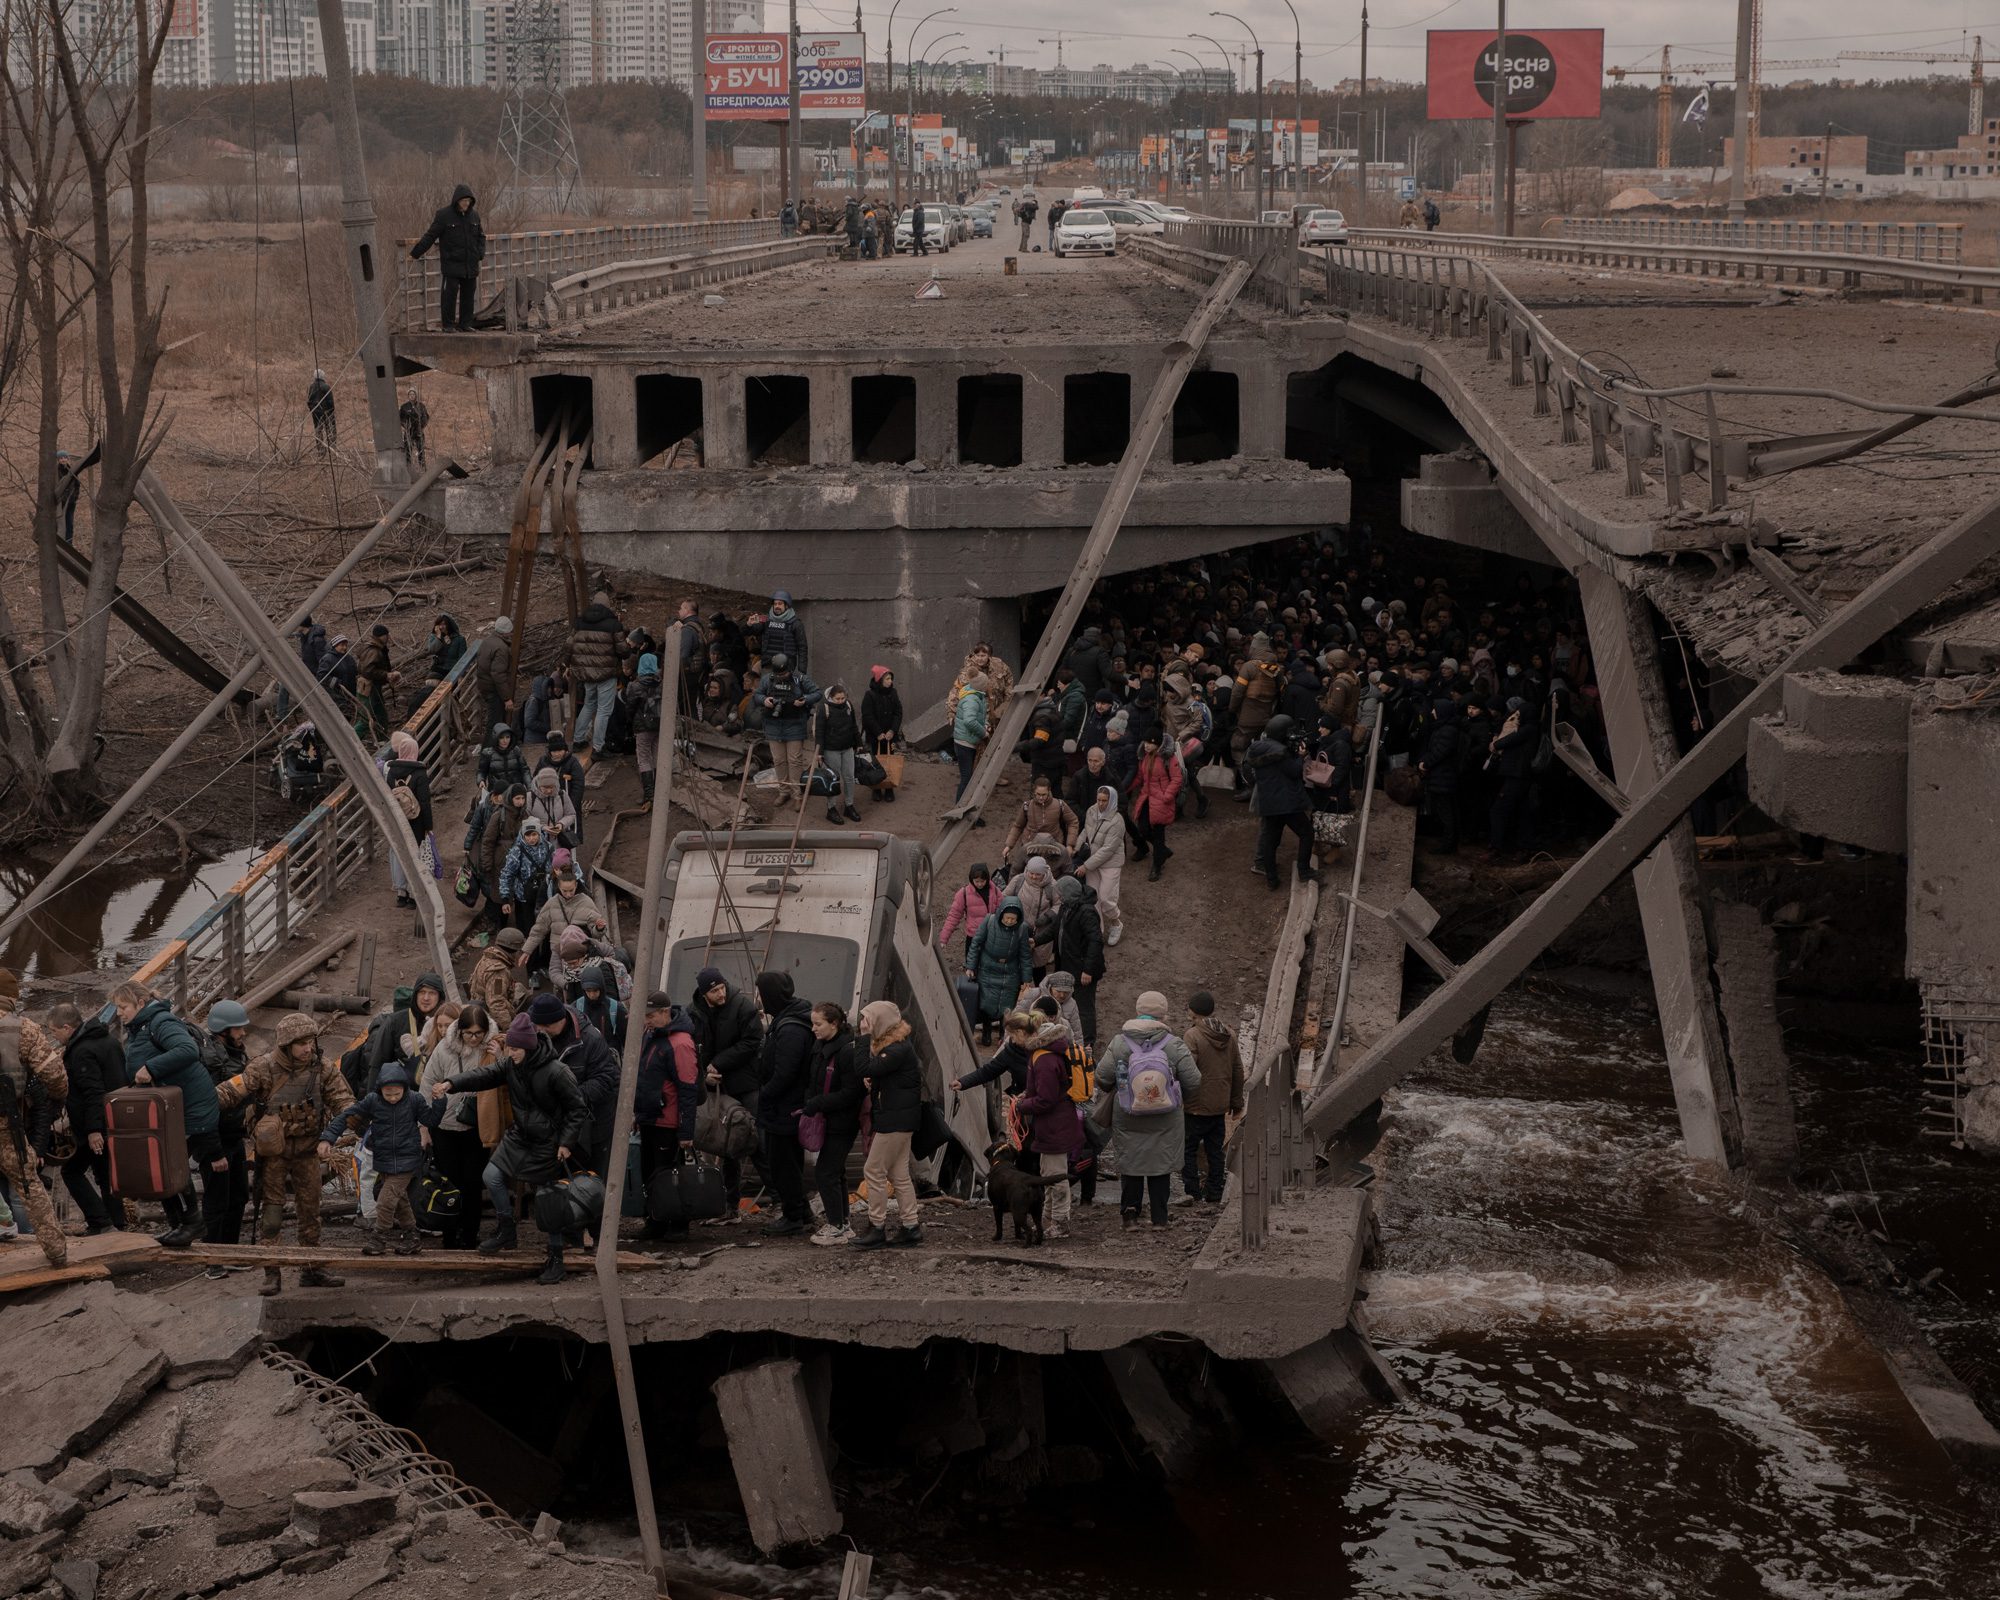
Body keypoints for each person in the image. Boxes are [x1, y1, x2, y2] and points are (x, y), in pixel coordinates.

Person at [430, 1012, 590, 1280]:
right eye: (509, 1048)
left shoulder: (556, 1071)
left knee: (547, 1200)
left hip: (548, 1141)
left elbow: (577, 1109)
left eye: (514, 1049)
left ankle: (556, 1257)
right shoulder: (511, 1066)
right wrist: (451, 1083)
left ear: (528, 1047)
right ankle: (507, 1228)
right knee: (491, 1176)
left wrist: (566, 1142)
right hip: (520, 1136)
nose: (510, 1052)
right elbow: (484, 1074)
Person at [211, 1009, 351, 1292]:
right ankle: (271, 1272)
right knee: (272, 1213)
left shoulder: (322, 1068)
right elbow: (228, 1092)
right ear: (286, 1044)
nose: (307, 1048)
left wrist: (352, 1127)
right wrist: (196, 1105)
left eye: (310, 1042)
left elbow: (344, 1101)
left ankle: (311, 1270)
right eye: (301, 1043)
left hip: (309, 1151)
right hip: (274, 1154)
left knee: (311, 1211)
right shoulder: (262, 1067)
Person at [116, 980, 230, 1252]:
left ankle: (192, 1222)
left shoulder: (161, 1022)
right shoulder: (139, 1027)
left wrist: (151, 1068)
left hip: (190, 1106)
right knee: (163, 1163)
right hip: (172, 1107)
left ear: (140, 1004)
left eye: (122, 1007)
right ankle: (180, 1223)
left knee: (170, 1163)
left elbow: (187, 1050)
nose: (118, 1013)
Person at [1094, 990, 1202, 1228]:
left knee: (1132, 1162)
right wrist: (1174, 1092)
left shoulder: (1120, 1042)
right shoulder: (1174, 1044)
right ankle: (1160, 1218)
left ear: (1138, 1010)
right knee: (1160, 1165)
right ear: (1163, 1014)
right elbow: (1194, 1081)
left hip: (1127, 1112)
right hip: (1166, 1116)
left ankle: (1130, 1215)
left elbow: (1101, 1077)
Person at [321, 1062, 444, 1256]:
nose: (393, 1098)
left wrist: (439, 1102)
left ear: (404, 1087)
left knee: (386, 1201)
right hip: (384, 1159)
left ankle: (379, 1238)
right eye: (388, 1094)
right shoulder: (373, 1101)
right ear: (381, 1091)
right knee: (400, 1200)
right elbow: (347, 1116)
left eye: (397, 1093)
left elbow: (431, 1120)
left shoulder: (415, 1100)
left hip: (408, 1159)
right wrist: (328, 1138)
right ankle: (412, 1237)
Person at [0, 971, 68, 1267]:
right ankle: (56, 1253)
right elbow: (54, 1075)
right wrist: (56, 1096)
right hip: (7, 1126)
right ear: (11, 998)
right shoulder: (22, 1029)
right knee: (31, 1189)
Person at [419, 1005, 497, 1250]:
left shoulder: (492, 1047)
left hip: (476, 1125)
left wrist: (500, 1054)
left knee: (473, 1182)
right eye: (469, 1033)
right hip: (445, 1125)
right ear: (460, 1031)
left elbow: (506, 1077)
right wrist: (424, 1126)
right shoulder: (444, 1049)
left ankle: (469, 1234)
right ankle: (449, 1233)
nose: (474, 1039)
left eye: (478, 1033)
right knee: (449, 1182)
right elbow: (427, 1083)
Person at [46, 1000, 126, 1236]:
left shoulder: (81, 1052)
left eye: (54, 1031)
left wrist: (93, 1131)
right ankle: (116, 1223)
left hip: (94, 1127)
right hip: (114, 1118)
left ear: (68, 1028)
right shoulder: (107, 1040)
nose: (54, 1036)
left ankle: (99, 1220)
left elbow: (93, 1093)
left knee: (71, 1172)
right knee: (105, 1175)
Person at [690, 967, 765, 1212]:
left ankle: (781, 1198)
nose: (720, 993)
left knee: (753, 1139)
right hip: (714, 1086)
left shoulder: (742, 1007)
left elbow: (752, 1042)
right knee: (723, 1143)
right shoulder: (695, 1013)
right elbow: (695, 1048)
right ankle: (726, 1203)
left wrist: (718, 1063)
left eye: (721, 987)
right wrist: (705, 1074)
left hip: (744, 1083)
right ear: (704, 994)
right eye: (714, 991)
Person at [849, 1000, 922, 1249]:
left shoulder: (895, 1049)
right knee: (899, 1175)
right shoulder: (896, 1046)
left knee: (873, 1171)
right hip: (901, 1118)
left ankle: (876, 1226)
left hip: (894, 1120)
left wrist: (863, 1038)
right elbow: (888, 1076)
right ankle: (911, 1226)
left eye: (867, 1019)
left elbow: (863, 1067)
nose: (862, 1024)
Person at [752, 971, 816, 1237]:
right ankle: (801, 1212)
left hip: (784, 1108)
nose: (757, 998)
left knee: (783, 1163)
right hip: (784, 1106)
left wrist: (765, 1093)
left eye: (760, 992)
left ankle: (793, 1216)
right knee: (786, 1162)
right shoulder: (790, 1019)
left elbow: (786, 1072)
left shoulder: (790, 1028)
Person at [635, 992, 702, 1242]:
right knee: (652, 1173)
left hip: (668, 1120)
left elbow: (688, 1089)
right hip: (650, 1117)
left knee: (670, 1175)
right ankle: (656, 1220)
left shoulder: (681, 1043)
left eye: (651, 1016)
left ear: (665, 1012)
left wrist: (686, 1132)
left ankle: (678, 1223)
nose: (647, 1021)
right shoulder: (651, 1035)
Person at [530, 991, 618, 1175]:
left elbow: (606, 1078)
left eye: (547, 1026)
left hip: (593, 1125)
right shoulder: (536, 1034)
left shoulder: (590, 1040)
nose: (542, 1030)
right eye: (538, 1026)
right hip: (556, 1126)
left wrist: (570, 1096)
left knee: (590, 1180)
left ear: (561, 1019)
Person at [1012, 1011, 1083, 1239]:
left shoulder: (1043, 1059)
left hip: (1054, 1125)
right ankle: (1049, 1218)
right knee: (1049, 1172)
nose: (1012, 1041)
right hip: (1057, 1123)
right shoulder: (1046, 1053)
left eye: (1013, 1036)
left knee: (1056, 1175)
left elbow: (1046, 1100)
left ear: (1022, 1033)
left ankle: (1060, 1223)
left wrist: (1021, 1106)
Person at [804, 1002, 867, 1246]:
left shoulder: (846, 1052)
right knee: (836, 1171)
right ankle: (842, 1222)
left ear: (834, 1024)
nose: (813, 1029)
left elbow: (852, 1093)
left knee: (826, 1172)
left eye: (818, 1024)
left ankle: (836, 1225)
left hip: (842, 1122)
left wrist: (819, 1102)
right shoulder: (823, 1046)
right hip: (828, 1118)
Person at [196, 1000, 253, 1255]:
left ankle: (230, 1251)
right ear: (224, 1030)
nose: (243, 1033)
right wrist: (214, 1152)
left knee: (238, 1196)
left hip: (233, 1138)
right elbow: (204, 1109)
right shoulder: (211, 1062)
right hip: (217, 1143)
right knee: (218, 1201)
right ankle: (213, 1256)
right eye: (238, 1028)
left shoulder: (234, 1053)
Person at [1181, 991, 1242, 1204]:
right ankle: (1214, 1193)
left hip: (1195, 1105)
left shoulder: (1193, 1035)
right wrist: (1236, 1102)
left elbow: (1187, 1070)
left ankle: (1192, 1192)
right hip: (1219, 1105)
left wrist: (1179, 1097)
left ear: (1193, 1011)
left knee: (1187, 1149)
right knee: (1215, 1151)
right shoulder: (1229, 1034)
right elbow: (1237, 1069)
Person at [1246, 713, 1317, 891]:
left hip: (1269, 803)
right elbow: (1294, 771)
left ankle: (1272, 879)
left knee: (1271, 842)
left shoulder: (1256, 749)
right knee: (1307, 833)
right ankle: (1304, 870)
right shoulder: (1282, 752)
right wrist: (1301, 756)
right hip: (1288, 803)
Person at [410, 183, 486, 332]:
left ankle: (465, 323)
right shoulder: (444, 215)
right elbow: (431, 235)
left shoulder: (474, 216)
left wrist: (480, 253)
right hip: (451, 263)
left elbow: (481, 237)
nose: (466, 203)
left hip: (470, 264)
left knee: (468, 296)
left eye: (468, 201)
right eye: (464, 200)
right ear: (457, 200)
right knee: (449, 296)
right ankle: (448, 325)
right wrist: (416, 253)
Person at [965, 895, 1032, 1046]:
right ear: (1001, 914)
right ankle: (986, 1031)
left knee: (1007, 1003)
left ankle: (1004, 1033)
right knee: (986, 1001)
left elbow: (1025, 955)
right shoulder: (989, 921)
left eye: (1013, 919)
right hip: (989, 968)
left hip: (1010, 971)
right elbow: (976, 943)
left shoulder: (1021, 929)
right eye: (1007, 918)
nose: (1009, 921)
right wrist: (970, 966)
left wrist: (1026, 978)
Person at [758, 653, 824, 804]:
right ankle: (783, 792)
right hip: (774, 725)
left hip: (794, 724)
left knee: (794, 760)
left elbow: (817, 693)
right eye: (778, 674)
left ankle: (797, 795)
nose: (781, 676)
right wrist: (764, 700)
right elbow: (757, 695)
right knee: (779, 760)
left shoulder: (800, 679)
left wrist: (805, 700)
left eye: (784, 673)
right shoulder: (768, 679)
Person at [1049, 876, 1105, 1046]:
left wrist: (1087, 970)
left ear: (1067, 894)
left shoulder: (1086, 911)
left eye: (1060, 893)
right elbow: (1055, 929)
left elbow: (1096, 941)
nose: (1058, 896)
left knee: (1084, 1009)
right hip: (1068, 966)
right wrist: (1036, 941)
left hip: (1082, 971)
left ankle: (1087, 1046)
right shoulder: (1068, 906)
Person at [384, 729, 435, 909]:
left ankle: (401, 892)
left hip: (398, 819)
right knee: (416, 855)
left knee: (399, 853)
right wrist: (428, 826)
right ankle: (414, 895)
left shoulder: (390, 772)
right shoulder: (420, 774)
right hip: (416, 821)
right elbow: (424, 802)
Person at [569, 590, 624, 756]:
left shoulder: (579, 622)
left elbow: (569, 645)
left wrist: (565, 664)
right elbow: (623, 650)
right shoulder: (614, 624)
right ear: (608, 606)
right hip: (606, 674)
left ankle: (578, 740)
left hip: (587, 674)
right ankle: (598, 747)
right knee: (604, 710)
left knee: (589, 704)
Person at [1076, 784, 1126, 948]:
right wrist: (1076, 848)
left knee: (1106, 898)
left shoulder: (1117, 822)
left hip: (1109, 864)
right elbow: (1087, 831)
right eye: (1099, 800)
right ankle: (1096, 931)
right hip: (1092, 862)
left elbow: (1107, 850)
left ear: (1112, 801)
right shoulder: (1092, 811)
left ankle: (1116, 922)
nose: (1101, 804)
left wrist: (1086, 866)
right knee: (1093, 898)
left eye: (1105, 800)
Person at [1131, 732, 1182, 881]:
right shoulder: (1145, 758)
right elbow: (1141, 778)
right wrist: (1126, 788)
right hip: (1147, 798)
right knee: (1143, 828)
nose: (1146, 745)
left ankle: (1157, 865)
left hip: (1161, 800)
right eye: (1145, 742)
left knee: (1159, 833)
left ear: (1158, 744)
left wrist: (1167, 796)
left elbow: (1177, 778)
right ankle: (1163, 851)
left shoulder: (1168, 758)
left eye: (1150, 742)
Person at [1000, 774, 1078, 868]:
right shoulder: (1027, 806)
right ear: (1034, 792)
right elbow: (1018, 826)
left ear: (1049, 791)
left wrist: (1070, 845)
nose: (1041, 797)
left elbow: (1073, 821)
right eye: (1038, 794)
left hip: (1053, 849)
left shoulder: (1059, 805)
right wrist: (1008, 846)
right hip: (1031, 848)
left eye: (1044, 794)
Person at [1419, 698, 1466, 854]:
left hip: (1443, 777)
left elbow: (1440, 752)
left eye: (1435, 710)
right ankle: (1449, 841)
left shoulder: (1447, 731)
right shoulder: (1444, 728)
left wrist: (1425, 764)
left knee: (1446, 811)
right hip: (1443, 776)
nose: (1432, 712)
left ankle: (1448, 844)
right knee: (1448, 810)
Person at [816, 683, 863, 825]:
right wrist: (819, 752)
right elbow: (820, 731)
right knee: (833, 779)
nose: (841, 701)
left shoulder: (848, 706)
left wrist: (859, 743)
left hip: (847, 748)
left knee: (849, 777)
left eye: (843, 698)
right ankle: (831, 809)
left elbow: (854, 726)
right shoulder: (823, 708)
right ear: (831, 697)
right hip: (831, 750)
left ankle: (849, 805)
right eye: (838, 699)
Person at [939, 862, 1002, 967]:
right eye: (977, 881)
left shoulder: (994, 890)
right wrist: (943, 939)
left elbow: (1002, 910)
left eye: (983, 881)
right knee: (973, 967)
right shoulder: (963, 894)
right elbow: (953, 917)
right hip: (974, 938)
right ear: (971, 879)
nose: (980, 884)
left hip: (991, 936)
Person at [498, 818, 554, 933]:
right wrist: (505, 899)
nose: (531, 838)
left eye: (534, 834)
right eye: (527, 835)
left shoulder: (549, 847)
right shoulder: (516, 851)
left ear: (539, 833)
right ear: (522, 835)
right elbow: (506, 875)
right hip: (523, 898)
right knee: (527, 930)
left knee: (546, 929)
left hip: (545, 895)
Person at [625, 653, 664, 805]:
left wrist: (630, 724)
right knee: (655, 756)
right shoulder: (662, 684)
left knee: (643, 759)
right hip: (659, 725)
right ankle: (660, 791)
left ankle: (649, 794)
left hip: (642, 727)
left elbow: (630, 708)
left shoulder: (635, 686)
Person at [861, 665, 904, 802]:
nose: (890, 681)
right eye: (887, 679)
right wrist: (878, 732)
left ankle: (889, 787)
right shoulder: (870, 695)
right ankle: (877, 788)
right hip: (875, 736)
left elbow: (898, 713)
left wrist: (892, 730)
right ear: (880, 680)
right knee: (875, 761)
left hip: (890, 736)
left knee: (889, 760)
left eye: (891, 678)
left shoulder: (893, 693)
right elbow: (867, 715)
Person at [951, 671, 990, 803]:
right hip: (965, 743)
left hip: (965, 741)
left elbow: (977, 716)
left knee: (968, 778)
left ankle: (962, 807)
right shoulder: (972, 699)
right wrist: (983, 733)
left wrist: (985, 724)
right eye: (986, 684)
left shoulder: (974, 694)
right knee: (967, 779)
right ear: (981, 686)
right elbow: (969, 721)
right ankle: (959, 809)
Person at [474, 616, 515, 735]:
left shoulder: (487, 641)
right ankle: (488, 749)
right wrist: (507, 698)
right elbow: (498, 674)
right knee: (495, 723)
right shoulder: (501, 648)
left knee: (493, 720)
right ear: (507, 632)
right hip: (494, 689)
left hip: (484, 685)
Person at [355, 623, 394, 741]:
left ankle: (382, 739)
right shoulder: (374, 651)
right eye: (386, 635)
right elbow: (368, 671)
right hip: (369, 688)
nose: (387, 637)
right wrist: (386, 675)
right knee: (366, 718)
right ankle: (352, 740)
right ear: (381, 636)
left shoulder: (372, 647)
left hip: (373, 687)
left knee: (381, 714)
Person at [763, 590, 807, 671]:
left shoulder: (795, 624)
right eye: (775, 604)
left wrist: (802, 672)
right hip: (768, 665)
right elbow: (752, 631)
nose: (777, 606)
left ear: (786, 605)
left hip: (786, 667)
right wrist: (749, 625)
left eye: (780, 604)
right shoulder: (767, 620)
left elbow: (802, 648)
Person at [307, 369, 335, 454]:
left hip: (315, 412)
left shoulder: (311, 387)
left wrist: (312, 410)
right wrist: (331, 411)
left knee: (318, 430)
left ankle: (320, 449)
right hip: (327, 412)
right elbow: (331, 402)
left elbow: (309, 401)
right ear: (323, 376)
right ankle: (332, 448)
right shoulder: (326, 387)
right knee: (330, 429)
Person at [400, 389, 430, 467]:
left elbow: (426, 417)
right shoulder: (404, 407)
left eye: (413, 394)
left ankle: (422, 466)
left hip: (419, 431)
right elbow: (400, 418)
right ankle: (408, 466)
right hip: (409, 431)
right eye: (410, 394)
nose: (412, 396)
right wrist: (405, 425)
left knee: (421, 449)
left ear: (416, 396)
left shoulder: (421, 406)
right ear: (408, 396)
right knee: (408, 449)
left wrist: (422, 426)